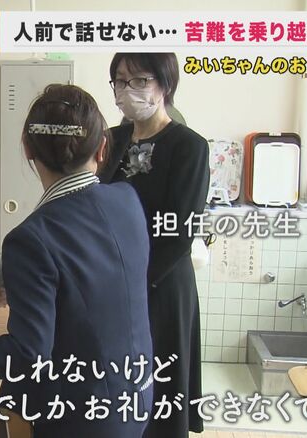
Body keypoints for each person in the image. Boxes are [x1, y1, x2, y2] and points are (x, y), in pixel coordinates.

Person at [0, 84, 153, 437]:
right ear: (102, 148)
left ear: (27, 148)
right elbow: (103, 287)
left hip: (82, 417)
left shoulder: (31, 238)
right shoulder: (126, 200)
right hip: (136, 395)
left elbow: (28, 356)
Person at [98, 53, 209, 436]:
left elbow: (180, 231)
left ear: (165, 84)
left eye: (140, 80)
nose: (128, 90)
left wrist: (133, 282)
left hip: (161, 282)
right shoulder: (110, 141)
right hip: (112, 280)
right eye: (120, 81)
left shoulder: (189, 146)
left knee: (161, 386)